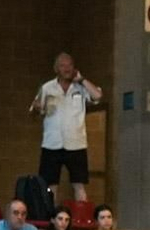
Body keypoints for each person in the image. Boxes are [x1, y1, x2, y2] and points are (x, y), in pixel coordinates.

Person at [30, 52, 100, 202]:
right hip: (51, 143)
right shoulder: (47, 87)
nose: (67, 68)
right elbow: (34, 112)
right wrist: (37, 108)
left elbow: (97, 96)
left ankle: (81, 214)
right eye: (63, 65)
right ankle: (52, 214)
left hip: (76, 144)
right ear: (56, 69)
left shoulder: (81, 87)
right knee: (50, 186)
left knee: (79, 185)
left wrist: (82, 80)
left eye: (70, 65)